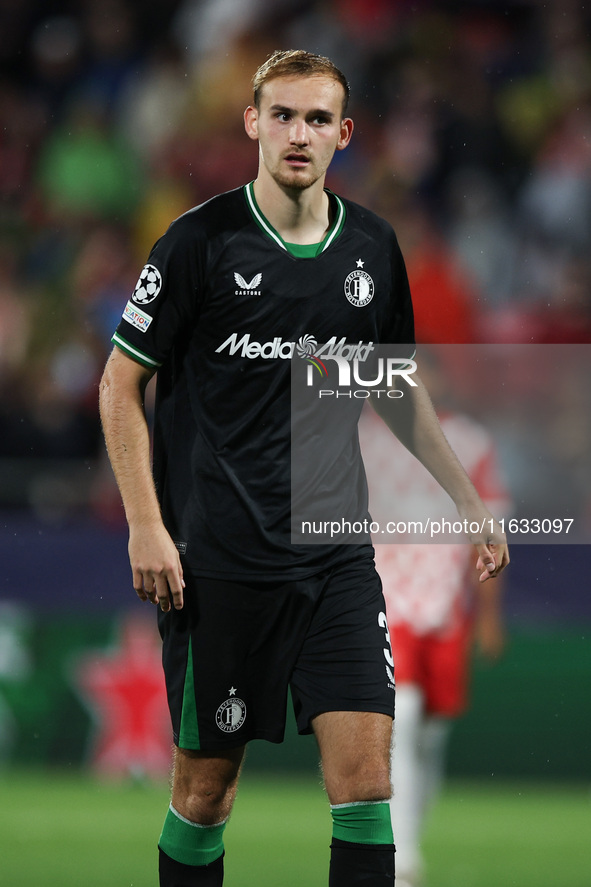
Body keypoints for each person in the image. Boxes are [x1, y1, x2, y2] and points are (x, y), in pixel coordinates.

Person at [98, 49, 509, 887]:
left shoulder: (370, 248)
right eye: (282, 114)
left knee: (365, 785)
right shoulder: (197, 245)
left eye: (317, 119)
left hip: (335, 560)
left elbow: (391, 389)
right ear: (252, 121)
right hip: (219, 565)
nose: (298, 133)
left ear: (344, 134)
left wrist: (469, 500)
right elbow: (119, 383)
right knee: (206, 794)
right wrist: (146, 521)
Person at [359, 355, 511, 887]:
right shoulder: (365, 437)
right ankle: (403, 856)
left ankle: (412, 831)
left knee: (432, 737)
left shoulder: (471, 442)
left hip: (446, 606)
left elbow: (491, 530)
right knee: (404, 714)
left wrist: (490, 612)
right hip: (386, 597)